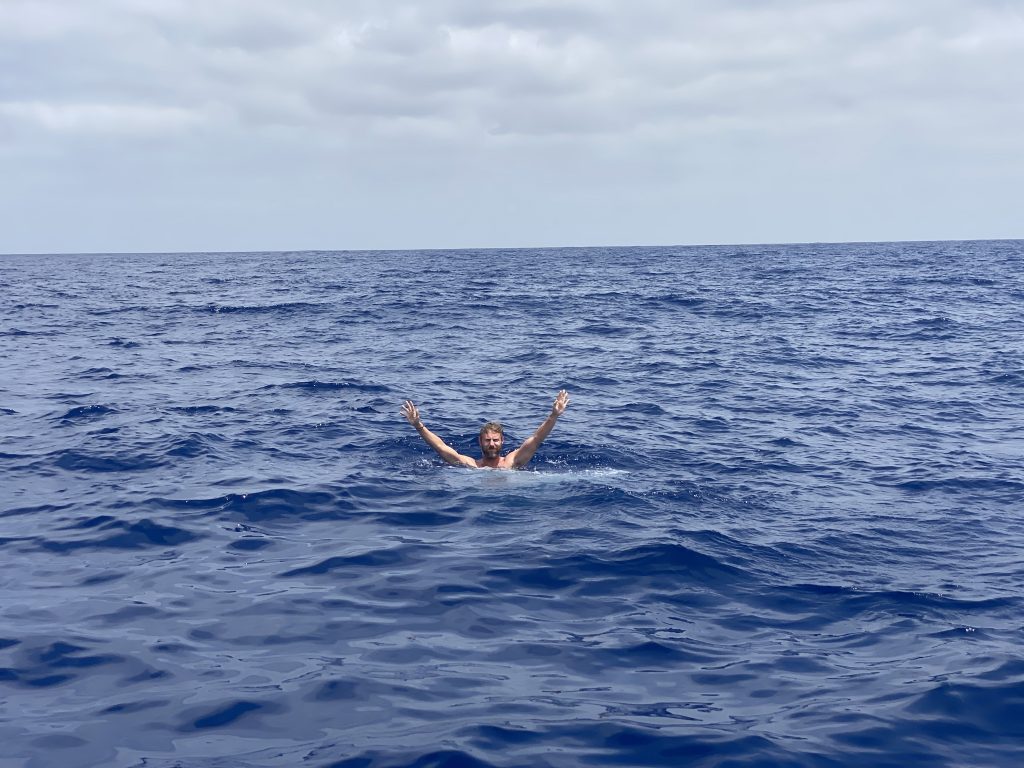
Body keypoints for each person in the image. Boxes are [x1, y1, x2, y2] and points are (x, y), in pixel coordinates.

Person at [402, 390, 570, 469]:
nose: (492, 444)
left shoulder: (511, 462)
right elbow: (440, 448)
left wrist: (553, 416)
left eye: (495, 440)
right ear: (480, 442)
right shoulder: (471, 465)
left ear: (502, 441)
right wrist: (418, 425)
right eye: (488, 440)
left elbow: (536, 440)